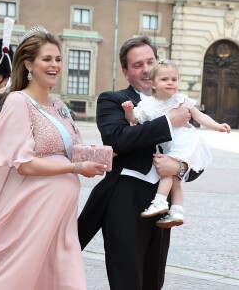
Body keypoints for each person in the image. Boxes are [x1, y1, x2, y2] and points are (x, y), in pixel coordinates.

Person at [0, 26, 107, 289]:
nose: (54, 65)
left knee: (62, 276)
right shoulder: (19, 102)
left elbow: (75, 149)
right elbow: (25, 164)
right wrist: (76, 168)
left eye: (58, 59)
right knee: (17, 276)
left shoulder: (60, 106)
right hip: (33, 209)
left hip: (61, 213)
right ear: (29, 64)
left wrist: (108, 150)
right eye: (47, 59)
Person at [78, 35, 204, 290]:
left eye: (150, 61)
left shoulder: (180, 103)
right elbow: (119, 138)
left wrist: (178, 168)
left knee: (152, 279)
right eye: (137, 65)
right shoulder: (113, 100)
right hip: (125, 198)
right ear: (125, 71)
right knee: (126, 277)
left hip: (161, 201)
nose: (146, 69)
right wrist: (169, 121)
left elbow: (193, 151)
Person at [122, 59, 231, 228]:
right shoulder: (147, 105)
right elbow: (135, 120)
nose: (170, 83)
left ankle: (160, 202)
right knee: (175, 179)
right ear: (153, 84)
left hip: (185, 140)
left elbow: (200, 117)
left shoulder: (181, 100)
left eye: (174, 79)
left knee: (167, 172)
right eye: (165, 79)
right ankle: (177, 211)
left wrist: (217, 126)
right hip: (168, 144)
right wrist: (128, 111)